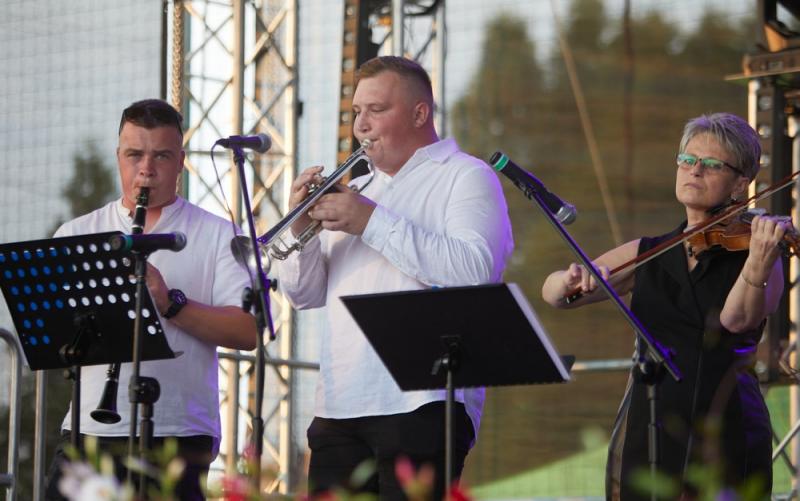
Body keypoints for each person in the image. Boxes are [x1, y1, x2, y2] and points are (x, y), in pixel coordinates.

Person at [274, 56, 513, 499]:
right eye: (356, 112)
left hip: (423, 401)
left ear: (420, 114)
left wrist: (370, 222)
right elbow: (304, 295)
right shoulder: (359, 190)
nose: (360, 125)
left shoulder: (466, 176)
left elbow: (474, 270)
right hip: (339, 405)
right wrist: (299, 228)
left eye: (376, 110)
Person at [542, 113, 782, 499]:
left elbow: (736, 320)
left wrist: (758, 260)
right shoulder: (649, 252)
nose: (694, 170)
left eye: (711, 164)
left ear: (741, 183)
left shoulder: (759, 251)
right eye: (687, 160)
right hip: (651, 420)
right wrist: (568, 280)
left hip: (724, 426)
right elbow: (555, 296)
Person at [45, 99, 258, 500]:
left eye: (161, 155)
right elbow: (55, 338)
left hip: (178, 432)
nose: (146, 169)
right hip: (89, 428)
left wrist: (170, 304)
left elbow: (247, 331)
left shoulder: (218, 234)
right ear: (118, 157)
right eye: (134, 155)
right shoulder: (76, 233)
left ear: (181, 162)